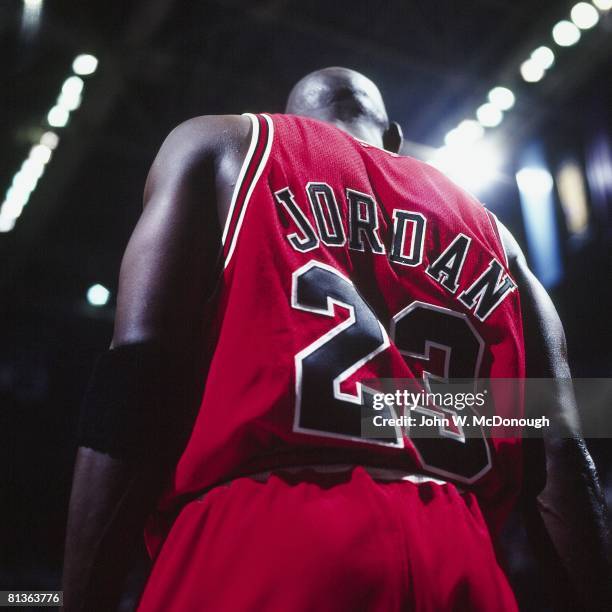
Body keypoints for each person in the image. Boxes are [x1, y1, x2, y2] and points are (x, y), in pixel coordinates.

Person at [62, 67, 609, 611]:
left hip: (264, 531)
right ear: (394, 137)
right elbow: (559, 451)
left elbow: (135, 380)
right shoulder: (499, 239)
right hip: (457, 550)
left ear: (292, 119)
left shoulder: (224, 144)